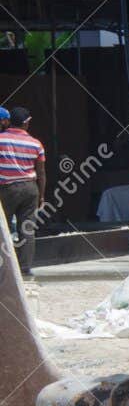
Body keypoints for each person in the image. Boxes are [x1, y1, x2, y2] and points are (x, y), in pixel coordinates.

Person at [0, 106, 46, 280]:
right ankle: (25, 268)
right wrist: (41, 195)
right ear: (26, 123)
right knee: (27, 229)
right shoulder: (36, 143)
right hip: (30, 188)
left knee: (2, 229)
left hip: (6, 188)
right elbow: (41, 172)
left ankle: (4, 267)